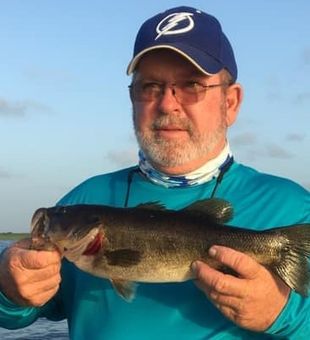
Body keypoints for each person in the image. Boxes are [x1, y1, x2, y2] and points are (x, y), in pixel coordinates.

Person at [0, 5, 309, 339]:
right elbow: (20, 315)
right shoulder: (85, 198)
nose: (166, 104)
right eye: (150, 86)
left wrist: (283, 313)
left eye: (192, 85)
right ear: (133, 98)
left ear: (230, 102)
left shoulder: (293, 208)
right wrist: (9, 286)